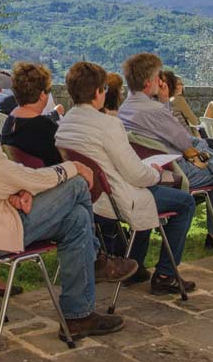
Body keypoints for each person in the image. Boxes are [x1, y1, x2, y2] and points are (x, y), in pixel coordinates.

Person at [0, 56, 139, 339]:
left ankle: (80, 314)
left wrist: (18, 190)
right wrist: (71, 168)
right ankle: (93, 264)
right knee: (78, 183)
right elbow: (15, 175)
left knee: (77, 219)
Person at [56, 62, 197, 295]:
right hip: (116, 198)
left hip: (91, 197)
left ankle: (136, 264)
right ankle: (165, 274)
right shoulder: (108, 124)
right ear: (99, 92)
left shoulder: (66, 123)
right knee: (185, 202)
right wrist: (156, 173)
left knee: (147, 195)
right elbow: (135, 174)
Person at [118, 52, 213, 248]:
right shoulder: (155, 110)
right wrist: (165, 100)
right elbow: (184, 142)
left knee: (200, 144)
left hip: (144, 169)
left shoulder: (124, 108)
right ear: (149, 82)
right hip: (171, 170)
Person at [1, 62, 63, 166]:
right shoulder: (45, 127)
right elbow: (61, 160)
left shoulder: (10, 121)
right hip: (45, 179)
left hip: (20, 177)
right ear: (42, 94)